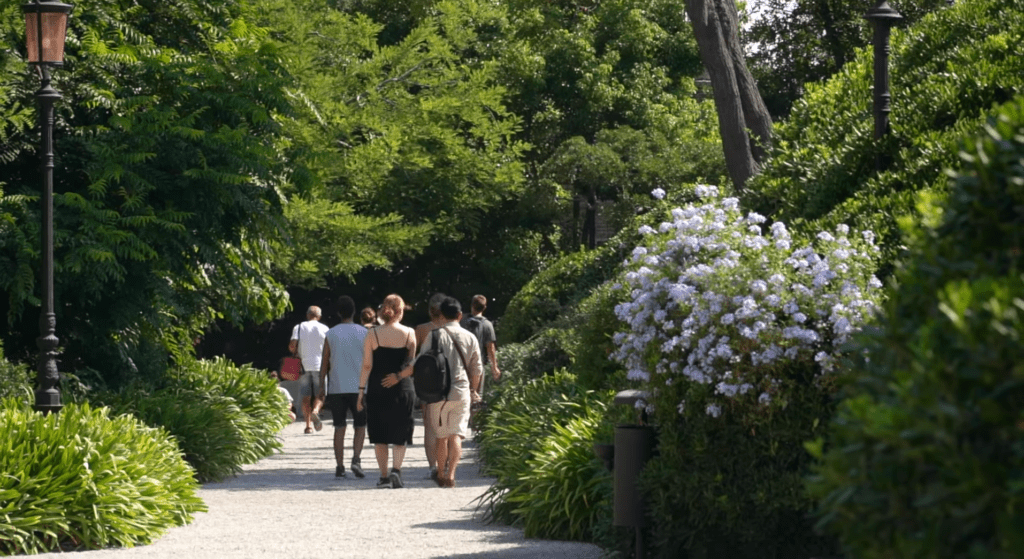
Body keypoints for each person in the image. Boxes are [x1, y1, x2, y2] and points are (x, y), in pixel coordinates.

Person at [420, 297, 482, 488]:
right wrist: (473, 389)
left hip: (437, 393)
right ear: (459, 315)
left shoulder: (434, 335)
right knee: (456, 435)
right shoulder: (469, 337)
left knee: (441, 436)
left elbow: (422, 361)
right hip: (461, 390)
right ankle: (452, 473)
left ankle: (440, 472)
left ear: (441, 315)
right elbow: (477, 369)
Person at [357, 294, 417, 488]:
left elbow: (367, 365)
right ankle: (396, 470)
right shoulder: (409, 333)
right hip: (402, 387)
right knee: (400, 433)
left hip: (378, 387)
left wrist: (360, 392)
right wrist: (398, 376)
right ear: (400, 311)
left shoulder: (372, 334)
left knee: (380, 435)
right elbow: (410, 364)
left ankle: (383, 477)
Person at [318, 295, 369, 478]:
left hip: (337, 386)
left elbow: (324, 363)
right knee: (360, 425)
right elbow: (369, 361)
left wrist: (321, 386)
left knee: (339, 427)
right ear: (354, 311)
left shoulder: (330, 334)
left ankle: (339, 466)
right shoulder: (364, 333)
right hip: (359, 387)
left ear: (339, 313)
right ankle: (356, 458)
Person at [414, 293, 448, 479]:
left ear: (429, 311)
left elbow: (415, 355)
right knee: (447, 423)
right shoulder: (451, 329)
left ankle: (432, 465)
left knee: (429, 426)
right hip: (447, 379)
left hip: (426, 381)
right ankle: (446, 461)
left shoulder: (421, 329)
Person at [289, 306, 329, 434]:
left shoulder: (299, 327)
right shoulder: (325, 328)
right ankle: (315, 412)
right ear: (319, 316)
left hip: (303, 366)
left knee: (306, 396)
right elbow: (329, 348)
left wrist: (296, 351)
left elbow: (292, 346)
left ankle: (308, 426)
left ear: (307, 315)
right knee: (320, 395)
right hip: (320, 366)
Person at [461, 294, 501, 399]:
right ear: (485, 307)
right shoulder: (487, 325)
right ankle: (473, 414)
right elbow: (490, 348)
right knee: (476, 396)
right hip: (477, 365)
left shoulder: (461, 321)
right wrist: (494, 367)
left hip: (460, 364)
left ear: (471, 305)